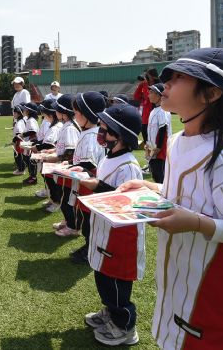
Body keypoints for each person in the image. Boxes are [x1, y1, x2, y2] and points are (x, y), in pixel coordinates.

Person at [120, 48, 223, 349]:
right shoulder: (179, 141)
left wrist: (195, 222)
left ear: (212, 94)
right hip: (183, 276)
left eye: (179, 78)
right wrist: (148, 187)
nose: (166, 84)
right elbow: (186, 194)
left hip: (218, 287)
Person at [78, 104, 144, 346]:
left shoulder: (129, 165)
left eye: (106, 129)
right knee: (103, 276)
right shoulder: (110, 156)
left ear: (121, 135)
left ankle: (125, 326)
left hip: (120, 236)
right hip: (104, 230)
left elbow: (126, 201)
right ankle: (110, 311)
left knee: (116, 281)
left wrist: (94, 185)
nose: (101, 132)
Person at [56, 92, 106, 259]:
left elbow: (89, 166)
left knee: (88, 221)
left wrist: (70, 169)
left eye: (77, 112)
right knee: (85, 219)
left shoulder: (92, 136)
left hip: (89, 188)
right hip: (85, 186)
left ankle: (90, 249)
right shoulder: (88, 132)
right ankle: (89, 246)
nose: (74, 114)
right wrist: (70, 165)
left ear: (87, 115)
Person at [41, 94, 79, 215]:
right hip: (61, 168)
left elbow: (70, 152)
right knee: (62, 193)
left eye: (57, 109)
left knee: (66, 196)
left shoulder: (70, 128)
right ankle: (67, 221)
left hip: (66, 170)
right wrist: (53, 151)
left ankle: (70, 224)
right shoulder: (66, 125)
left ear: (63, 112)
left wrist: (55, 158)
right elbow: (62, 146)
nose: (55, 112)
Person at [146, 83, 171, 184]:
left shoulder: (163, 110)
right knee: (155, 172)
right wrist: (148, 147)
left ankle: (164, 195)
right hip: (152, 146)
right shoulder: (154, 110)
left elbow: (163, 129)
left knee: (160, 174)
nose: (149, 95)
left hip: (160, 149)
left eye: (151, 92)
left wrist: (158, 148)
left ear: (159, 95)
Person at [20, 102, 40, 184]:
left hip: (32, 143)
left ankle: (33, 177)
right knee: (27, 160)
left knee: (31, 161)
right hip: (30, 142)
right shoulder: (29, 119)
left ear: (29, 111)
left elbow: (33, 131)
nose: (23, 110)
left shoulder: (31, 120)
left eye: (25, 109)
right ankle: (31, 176)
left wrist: (23, 134)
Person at [11, 106, 27, 176]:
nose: (13, 114)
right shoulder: (21, 121)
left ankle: (21, 170)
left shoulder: (20, 122)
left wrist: (14, 140)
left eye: (15, 113)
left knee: (18, 156)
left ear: (19, 114)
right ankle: (20, 168)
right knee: (19, 156)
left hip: (19, 142)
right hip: (20, 141)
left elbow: (19, 133)